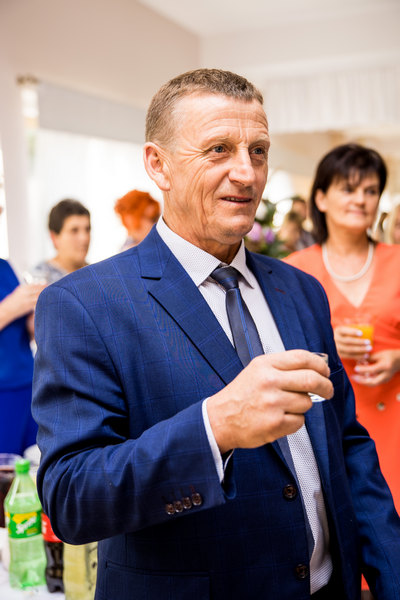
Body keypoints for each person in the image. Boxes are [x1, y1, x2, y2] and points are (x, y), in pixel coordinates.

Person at [32, 70, 400, 600]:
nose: (246, 173)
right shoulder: (85, 303)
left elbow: (348, 445)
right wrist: (214, 429)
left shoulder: (300, 290)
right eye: (219, 149)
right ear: (158, 164)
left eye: (258, 151)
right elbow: (72, 498)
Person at [284, 143, 400, 598]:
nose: (361, 200)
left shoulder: (397, 260)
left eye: (370, 191)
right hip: (328, 432)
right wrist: (326, 335)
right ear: (321, 197)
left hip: (394, 423)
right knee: (342, 550)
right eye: (348, 189)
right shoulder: (293, 272)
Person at [0, 208, 46, 454]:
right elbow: (11, 310)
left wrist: (36, 314)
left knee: (31, 464)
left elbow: (24, 332)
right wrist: (11, 307)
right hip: (3, 392)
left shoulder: (5, 267)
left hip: (28, 384)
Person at [30, 199, 90, 283]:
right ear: (54, 237)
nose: (84, 238)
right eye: (74, 231)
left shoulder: (96, 275)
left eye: (87, 229)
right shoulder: (37, 279)